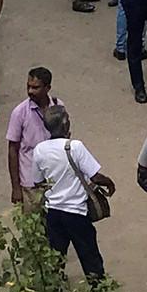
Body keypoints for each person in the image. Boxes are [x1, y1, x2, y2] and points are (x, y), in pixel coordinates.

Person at [28, 106, 108, 280]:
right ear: (65, 124)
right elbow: (96, 177)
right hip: (76, 213)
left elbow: (37, 181)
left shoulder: (40, 150)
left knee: (56, 258)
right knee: (90, 257)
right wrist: (110, 184)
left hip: (54, 213)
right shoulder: (74, 147)